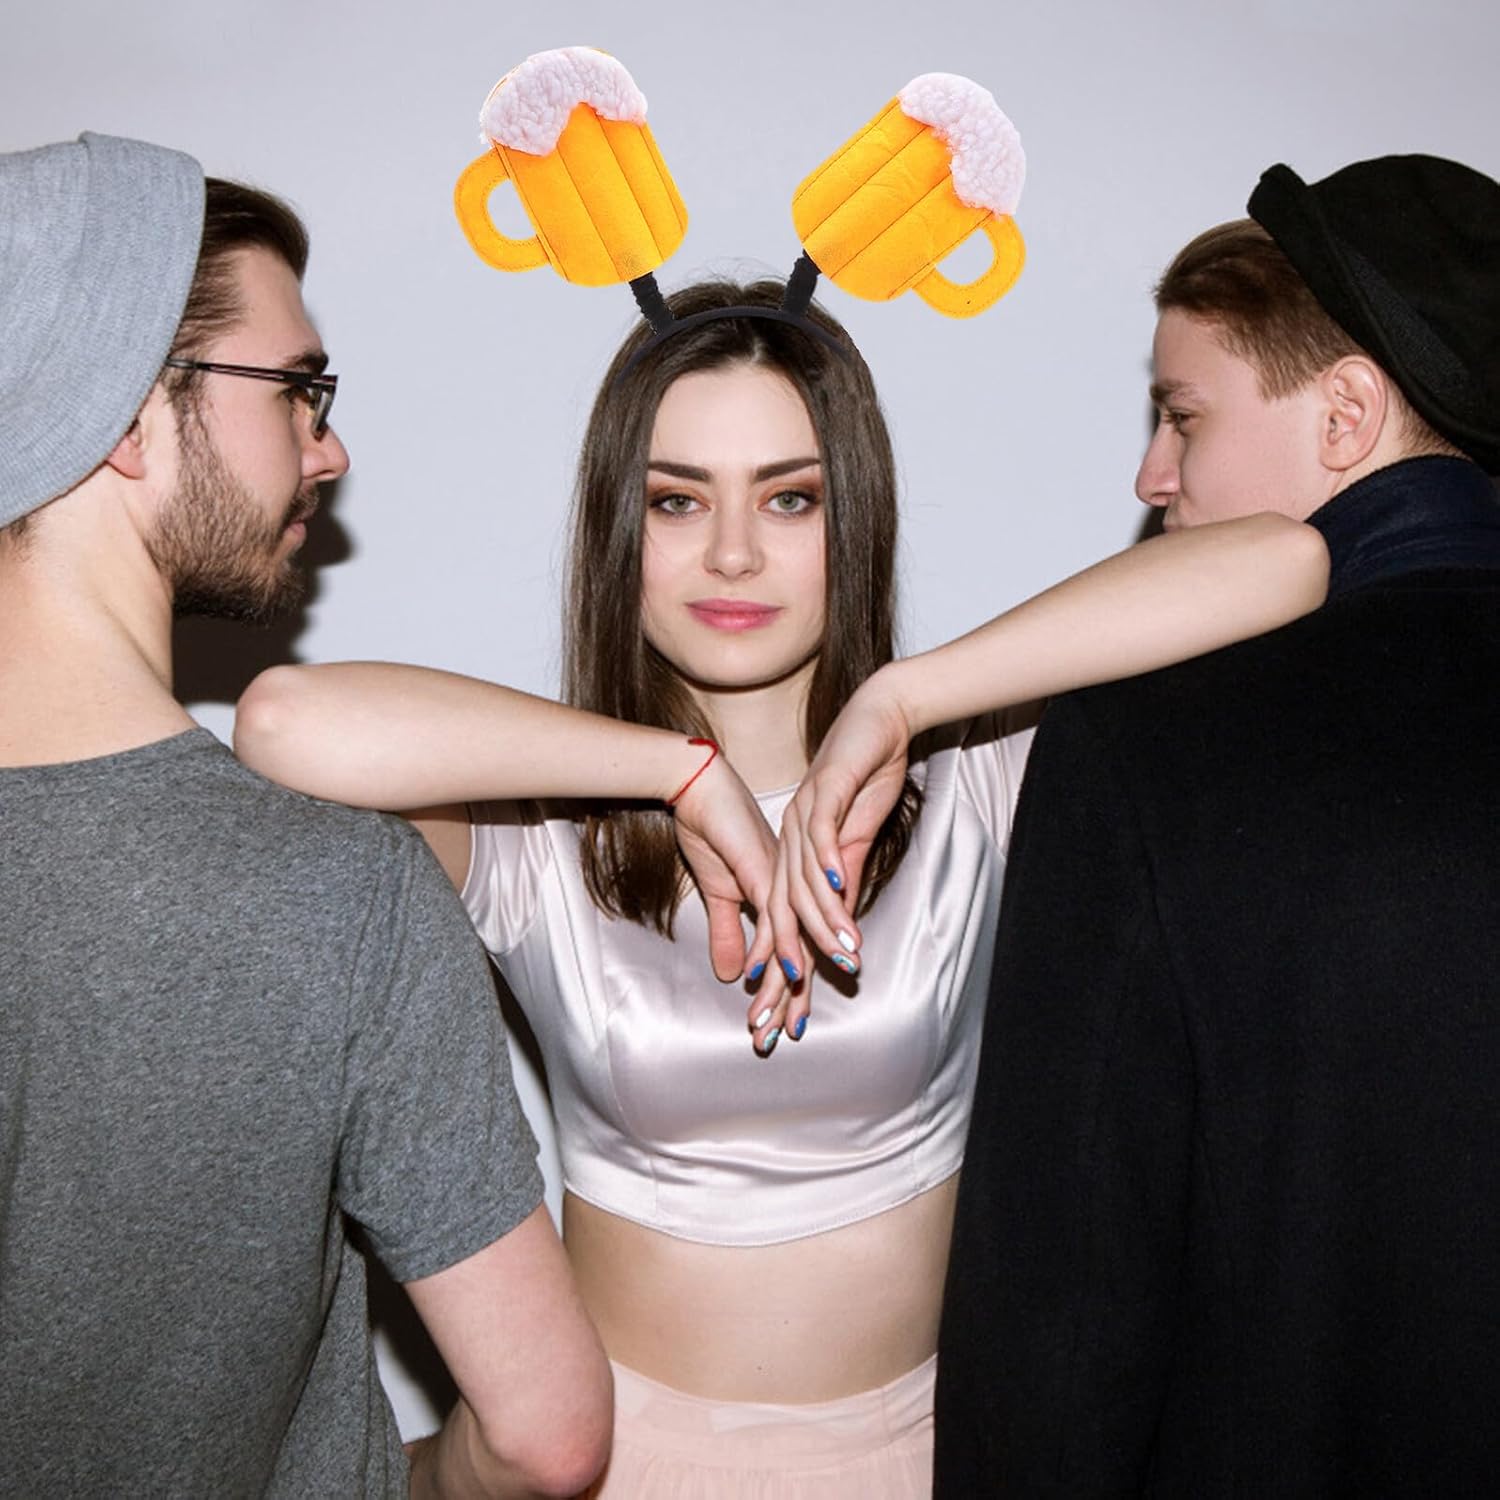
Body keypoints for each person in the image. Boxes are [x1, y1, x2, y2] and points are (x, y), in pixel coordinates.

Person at [233, 276, 1330, 1497]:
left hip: (935, 1455)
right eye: (677, 500)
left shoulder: (972, 776)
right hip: (621, 1464)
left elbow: (1284, 562)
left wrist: (905, 699)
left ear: (855, 515)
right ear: (619, 526)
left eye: (790, 497)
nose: (734, 552)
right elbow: (282, 723)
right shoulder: (536, 831)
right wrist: (676, 773)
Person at [0, 131, 627, 1500]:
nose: (328, 447)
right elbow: (549, 1436)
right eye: (296, 389)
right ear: (126, 412)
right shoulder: (340, 893)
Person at [929, 153, 1500, 1495]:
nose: (1150, 474)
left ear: (1347, 415)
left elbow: (1059, 1334)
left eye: (1183, 417)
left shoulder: (1147, 740)